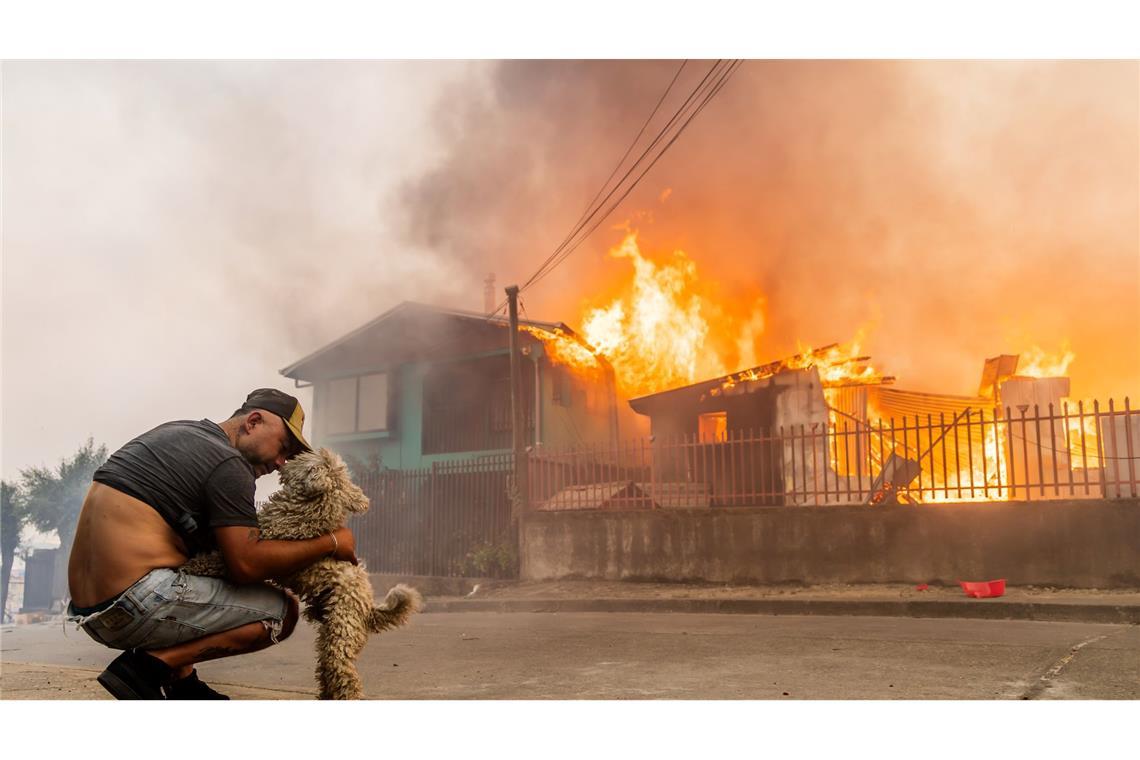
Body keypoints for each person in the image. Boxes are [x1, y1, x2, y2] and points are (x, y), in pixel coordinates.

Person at [67, 388, 358, 700]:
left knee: (196, 565)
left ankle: (183, 683)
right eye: (282, 447)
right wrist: (330, 542)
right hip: (134, 603)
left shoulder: (180, 432)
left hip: (90, 613)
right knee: (282, 612)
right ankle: (147, 668)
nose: (281, 463)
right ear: (254, 422)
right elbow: (246, 565)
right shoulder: (229, 464)